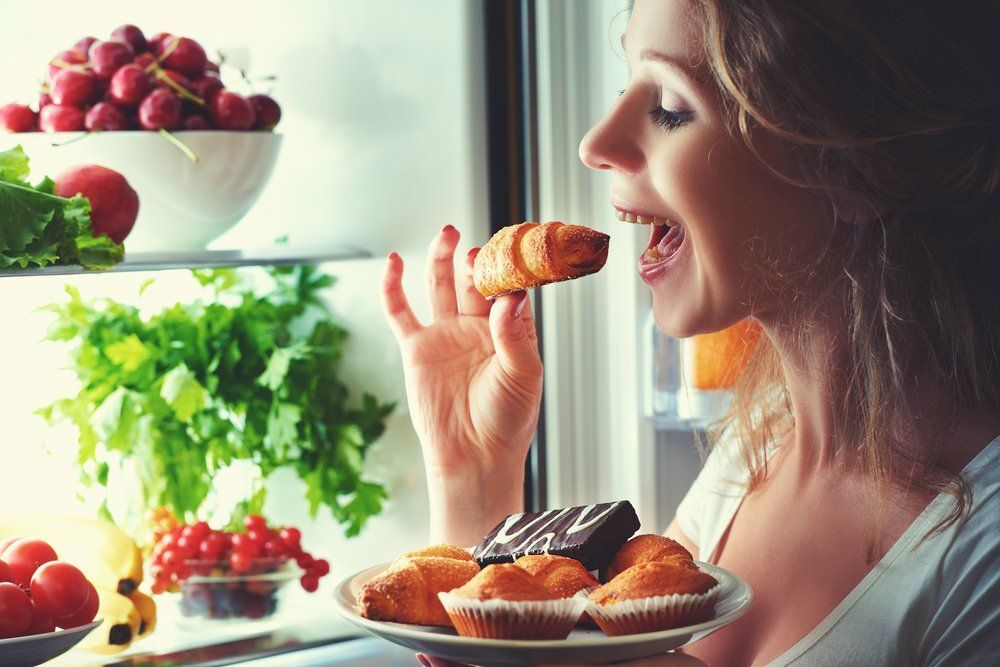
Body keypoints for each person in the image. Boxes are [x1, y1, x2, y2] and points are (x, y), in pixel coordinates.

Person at [380, 0, 1000, 664]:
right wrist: (476, 479)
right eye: (628, 88)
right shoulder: (750, 457)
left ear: (854, 165)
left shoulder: (981, 561)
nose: (595, 143)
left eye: (672, 107)